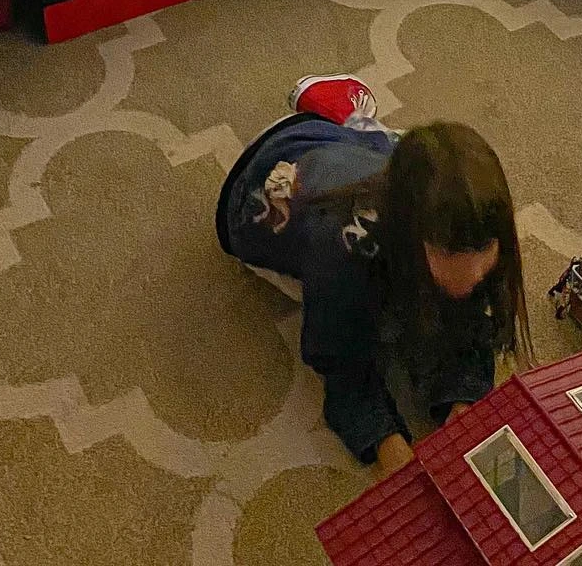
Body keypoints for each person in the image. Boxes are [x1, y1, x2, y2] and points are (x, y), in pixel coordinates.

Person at [216, 74, 530, 475]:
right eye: (449, 252)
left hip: (348, 152)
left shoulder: (463, 223)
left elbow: (474, 324)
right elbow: (340, 362)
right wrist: (391, 447)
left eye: (483, 251)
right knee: (372, 313)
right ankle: (342, 115)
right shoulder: (344, 246)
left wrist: (463, 405)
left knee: (404, 154)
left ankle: (343, 112)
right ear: (412, 234)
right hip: (256, 188)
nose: (472, 274)